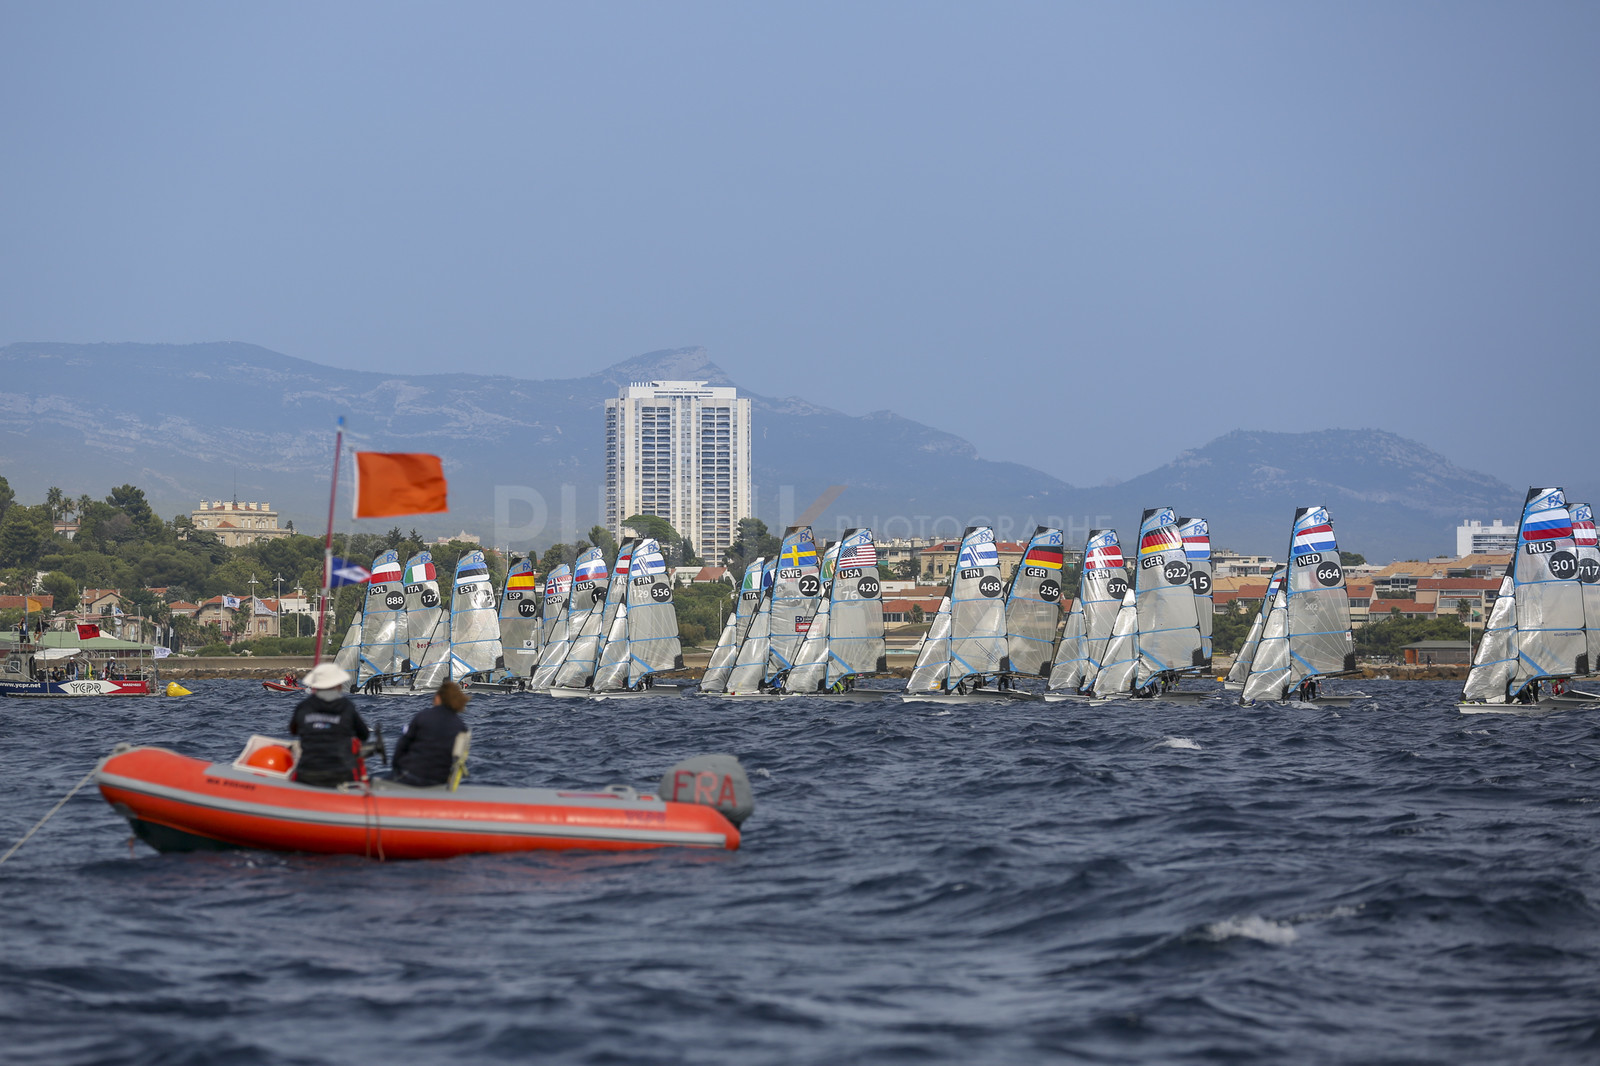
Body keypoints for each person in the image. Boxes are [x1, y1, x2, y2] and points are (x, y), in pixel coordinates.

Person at [289, 663, 370, 787]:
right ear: (338, 685)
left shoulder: (304, 706)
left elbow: (293, 730)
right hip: (341, 775)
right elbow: (364, 735)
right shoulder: (347, 706)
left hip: (307, 775)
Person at [390, 681, 470, 787]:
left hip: (411, 775)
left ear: (438, 698)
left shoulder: (423, 716)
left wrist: (396, 767)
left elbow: (402, 746)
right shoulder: (461, 726)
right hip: (439, 779)